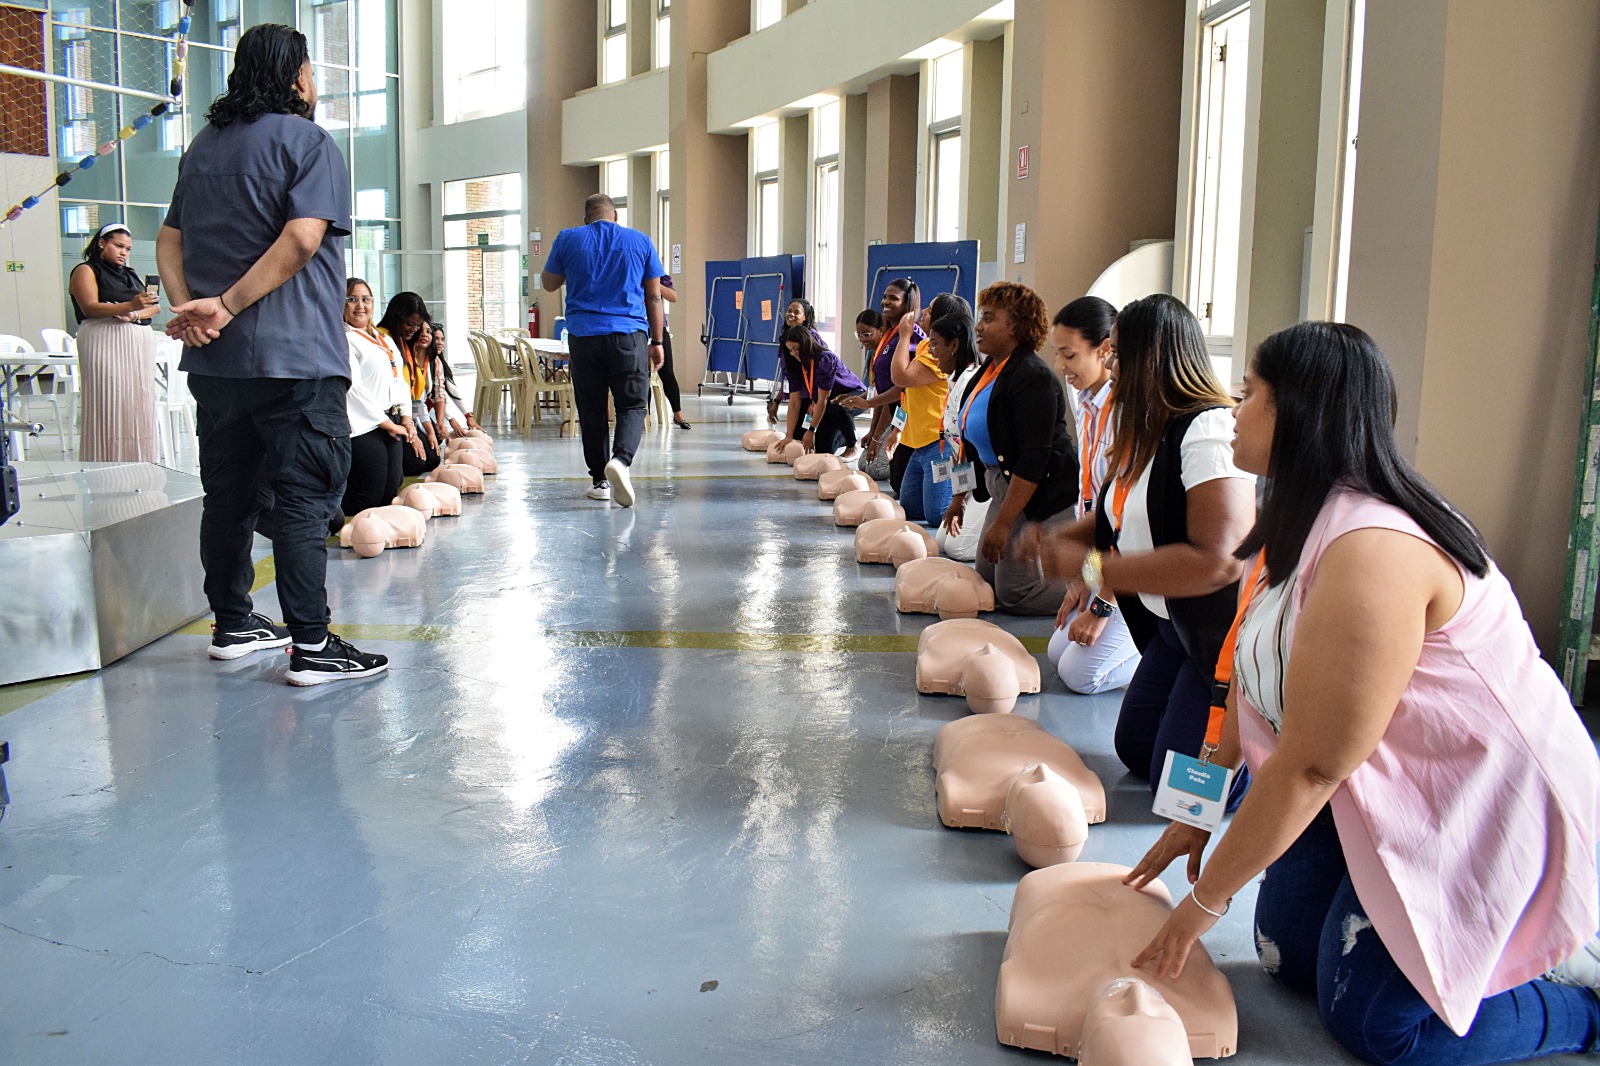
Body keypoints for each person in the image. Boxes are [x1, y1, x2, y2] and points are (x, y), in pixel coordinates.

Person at [1123, 321, 1600, 1065]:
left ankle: (1579, 1003)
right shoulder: (1295, 520)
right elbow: (1247, 683)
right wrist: (1192, 815)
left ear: (1295, 417)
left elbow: (1313, 765)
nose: (1236, 410)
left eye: (1250, 395)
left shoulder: (1374, 548)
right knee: (1287, 959)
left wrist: (1201, 905)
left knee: (1377, 1025)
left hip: (1472, 800)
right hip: (1377, 776)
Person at [157, 23, 387, 685]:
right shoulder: (309, 142)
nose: (316, 83)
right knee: (303, 499)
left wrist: (190, 308)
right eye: (312, 69)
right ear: (294, 77)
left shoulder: (202, 147)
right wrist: (225, 305)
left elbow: (168, 239)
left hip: (219, 364)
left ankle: (232, 623)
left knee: (227, 497)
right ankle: (312, 645)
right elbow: (303, 238)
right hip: (296, 361)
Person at [1029, 293, 1252, 797]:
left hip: (1214, 643)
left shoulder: (1207, 429)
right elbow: (1117, 518)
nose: (1111, 364)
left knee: (1181, 788)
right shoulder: (1148, 428)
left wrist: (1091, 569)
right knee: (1136, 749)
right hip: (1170, 629)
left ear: (1150, 359)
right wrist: (1058, 540)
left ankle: (1259, 765)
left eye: (1119, 354)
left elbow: (1218, 562)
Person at [940, 281, 1078, 615]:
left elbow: (1033, 459)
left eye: (989, 318)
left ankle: (1088, 589)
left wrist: (1003, 524)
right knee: (986, 572)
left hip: (1038, 490)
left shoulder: (1034, 377)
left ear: (1015, 327)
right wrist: (959, 498)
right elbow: (968, 446)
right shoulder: (986, 372)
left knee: (1014, 594)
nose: (979, 326)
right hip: (999, 482)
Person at [540, 193, 666, 507]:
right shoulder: (640, 241)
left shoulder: (569, 238)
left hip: (583, 337)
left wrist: (572, 262)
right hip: (628, 336)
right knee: (633, 405)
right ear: (615, 217)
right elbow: (654, 297)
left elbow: (548, 283)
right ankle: (620, 461)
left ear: (587, 218)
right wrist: (658, 341)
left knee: (592, 408)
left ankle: (599, 481)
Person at [1044, 296, 1141, 694]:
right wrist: (1085, 578)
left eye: (1069, 355)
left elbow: (1126, 523)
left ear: (1105, 349)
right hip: (1104, 553)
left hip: (1136, 566)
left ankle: (1150, 650)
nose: (1060, 366)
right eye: (1058, 354)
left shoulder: (1128, 414)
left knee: (1080, 677)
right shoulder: (1088, 403)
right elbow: (1093, 505)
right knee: (1056, 652)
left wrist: (1103, 606)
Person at [69, 222, 160, 462]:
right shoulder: (86, 270)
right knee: (108, 402)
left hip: (134, 344)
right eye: (118, 246)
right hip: (103, 342)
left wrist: (133, 314)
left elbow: (153, 308)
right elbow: (90, 307)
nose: (123, 253)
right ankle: (105, 459)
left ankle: (137, 461)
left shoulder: (129, 274)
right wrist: (131, 305)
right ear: (102, 243)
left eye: (128, 249)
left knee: (135, 403)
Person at [887, 292, 970, 525]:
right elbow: (908, 394)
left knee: (936, 516)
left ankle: (969, 499)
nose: (923, 312)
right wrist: (897, 429)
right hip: (918, 444)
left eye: (930, 310)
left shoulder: (940, 354)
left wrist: (904, 336)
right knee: (911, 508)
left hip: (939, 444)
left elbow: (900, 377)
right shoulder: (926, 345)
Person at [341, 278, 413, 516]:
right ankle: (324, 515)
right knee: (367, 499)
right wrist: (386, 423)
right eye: (352, 299)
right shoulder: (344, 338)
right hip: (364, 424)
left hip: (390, 420)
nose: (360, 305)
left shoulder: (383, 338)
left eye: (365, 299)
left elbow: (399, 379)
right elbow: (353, 387)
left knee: (389, 494)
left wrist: (406, 417)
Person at [845, 280, 921, 488]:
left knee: (878, 470)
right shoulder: (890, 335)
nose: (886, 302)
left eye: (893, 298)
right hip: (893, 410)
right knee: (865, 465)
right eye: (885, 297)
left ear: (907, 303)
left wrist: (878, 436)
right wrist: (873, 433)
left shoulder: (910, 336)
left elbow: (899, 389)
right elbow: (882, 393)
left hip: (908, 414)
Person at [931, 312, 987, 562]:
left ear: (954, 346)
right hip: (970, 479)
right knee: (942, 541)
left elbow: (969, 446)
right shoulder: (955, 380)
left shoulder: (969, 382)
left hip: (988, 481)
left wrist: (960, 497)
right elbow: (957, 448)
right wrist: (959, 497)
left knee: (958, 549)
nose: (931, 351)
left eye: (935, 343)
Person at [773, 325, 865, 456]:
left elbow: (823, 400)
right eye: (790, 350)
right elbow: (794, 402)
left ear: (805, 344)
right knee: (820, 449)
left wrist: (811, 430)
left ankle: (851, 443)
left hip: (854, 394)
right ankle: (841, 434)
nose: (793, 353)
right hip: (828, 403)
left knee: (837, 409)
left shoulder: (825, 359)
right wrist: (789, 435)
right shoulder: (796, 363)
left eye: (796, 349)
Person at [766, 299, 823, 424]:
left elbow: (818, 371)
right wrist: (777, 401)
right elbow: (789, 375)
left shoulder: (811, 337)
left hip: (810, 395)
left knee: (804, 435)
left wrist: (815, 401)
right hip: (797, 393)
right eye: (789, 311)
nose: (791, 314)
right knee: (797, 435)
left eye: (796, 312)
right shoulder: (787, 337)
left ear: (805, 317)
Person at [657, 275, 691, 429]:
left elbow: (673, 296)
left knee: (667, 372)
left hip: (657, 326)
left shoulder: (657, 275)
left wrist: (653, 284)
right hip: (635, 324)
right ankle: (644, 415)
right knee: (640, 373)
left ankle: (678, 413)